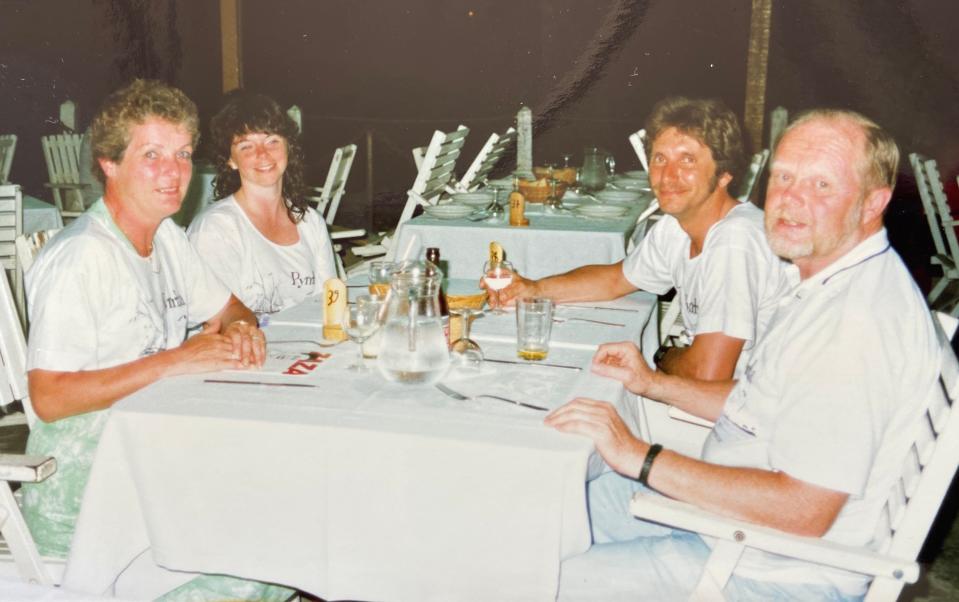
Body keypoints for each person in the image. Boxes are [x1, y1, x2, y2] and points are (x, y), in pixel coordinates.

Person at [548, 110, 940, 600]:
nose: (790, 200)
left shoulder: (854, 327)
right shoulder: (828, 280)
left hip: (771, 568)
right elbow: (770, 400)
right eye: (784, 176)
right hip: (729, 519)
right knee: (545, 504)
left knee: (544, 574)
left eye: (821, 184)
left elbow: (802, 510)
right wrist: (655, 384)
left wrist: (638, 457)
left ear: (872, 203)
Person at [21, 79, 292, 601]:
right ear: (109, 163)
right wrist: (174, 361)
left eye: (183, 154)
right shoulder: (82, 258)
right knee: (266, 562)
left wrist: (239, 330)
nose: (173, 172)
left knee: (286, 519)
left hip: (155, 463)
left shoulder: (167, 238)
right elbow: (50, 397)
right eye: (151, 155)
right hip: (87, 499)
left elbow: (232, 308)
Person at [488, 97, 791, 381]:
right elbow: (615, 279)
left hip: (750, 413)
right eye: (660, 158)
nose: (667, 175)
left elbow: (707, 373)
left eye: (687, 160)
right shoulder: (676, 227)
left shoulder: (735, 242)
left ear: (724, 174)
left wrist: (659, 353)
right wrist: (533, 289)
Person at [188, 91, 337, 316]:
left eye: (272, 141)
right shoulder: (215, 230)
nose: (263, 154)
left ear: (289, 147)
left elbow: (331, 306)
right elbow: (217, 324)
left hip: (310, 347)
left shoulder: (311, 223)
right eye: (246, 146)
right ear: (230, 160)